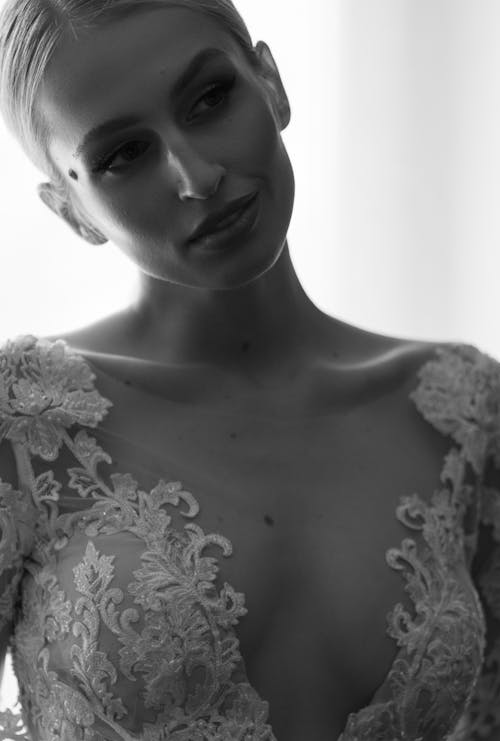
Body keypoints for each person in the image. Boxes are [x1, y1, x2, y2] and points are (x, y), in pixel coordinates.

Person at [0, 1, 498, 739]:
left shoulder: (463, 412)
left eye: (210, 98)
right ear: (71, 210)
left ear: (271, 81)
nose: (196, 174)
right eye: (123, 154)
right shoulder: (23, 426)